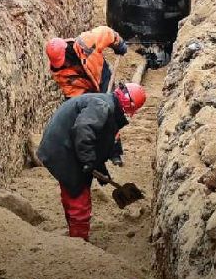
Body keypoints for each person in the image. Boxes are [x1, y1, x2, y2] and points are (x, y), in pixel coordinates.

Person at [35, 82, 147, 240]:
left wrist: (100, 168)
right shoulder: (102, 106)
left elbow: (98, 139)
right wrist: (88, 161)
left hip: (66, 145)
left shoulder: (105, 103)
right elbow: (83, 129)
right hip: (63, 149)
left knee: (72, 192)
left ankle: (74, 234)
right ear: (130, 107)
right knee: (78, 196)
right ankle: (79, 241)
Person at [46, 26, 129, 164]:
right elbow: (72, 93)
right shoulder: (60, 72)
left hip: (102, 77)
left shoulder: (86, 42)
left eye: (63, 60)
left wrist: (118, 43)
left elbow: (106, 33)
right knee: (94, 118)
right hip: (85, 91)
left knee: (111, 112)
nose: (64, 64)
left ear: (67, 50)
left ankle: (115, 152)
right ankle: (97, 152)